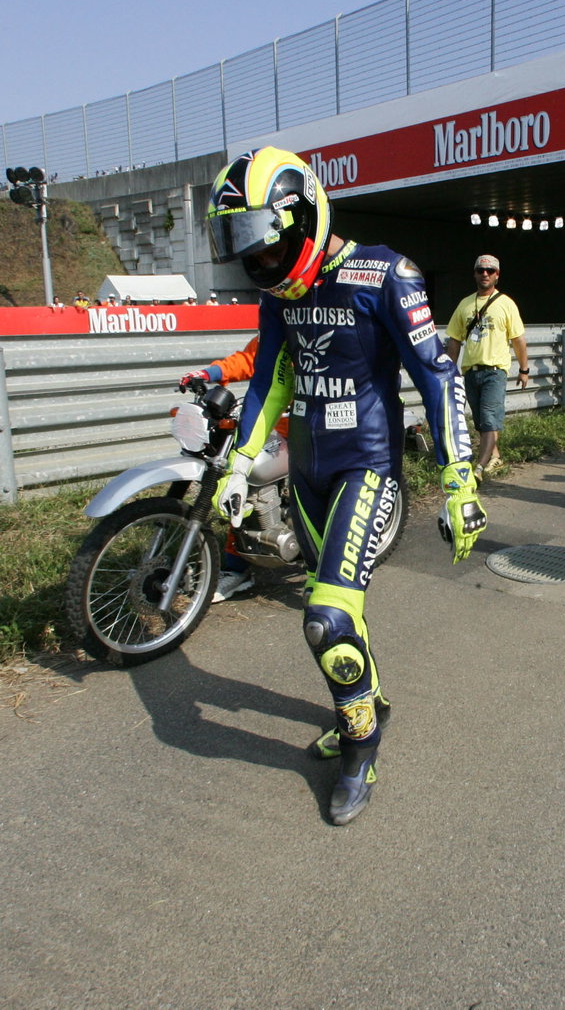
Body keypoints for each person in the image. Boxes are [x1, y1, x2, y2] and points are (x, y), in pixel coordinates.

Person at [205, 146, 484, 826]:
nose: (260, 264)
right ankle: (368, 701)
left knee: (324, 618)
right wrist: (239, 464)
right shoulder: (279, 295)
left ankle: (360, 746)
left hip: (367, 469)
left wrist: (460, 480)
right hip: (306, 474)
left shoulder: (389, 273)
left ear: (301, 216)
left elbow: (437, 374)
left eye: (267, 246)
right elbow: (270, 378)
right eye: (246, 250)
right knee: (343, 617)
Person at [179, 335, 272, 602]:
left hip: (307, 422)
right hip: (265, 422)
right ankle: (237, 568)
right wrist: (207, 373)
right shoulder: (276, 331)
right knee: (234, 480)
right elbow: (246, 360)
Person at [446, 255, 531, 479]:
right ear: (474, 273)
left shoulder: (506, 303)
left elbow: (519, 340)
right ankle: (495, 457)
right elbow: (454, 339)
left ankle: (480, 468)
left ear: (497, 275)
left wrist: (524, 370)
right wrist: (448, 371)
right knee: (481, 421)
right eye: (481, 270)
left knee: (489, 417)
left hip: (495, 371)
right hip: (471, 372)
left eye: (490, 270)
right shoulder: (465, 304)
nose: (485, 274)